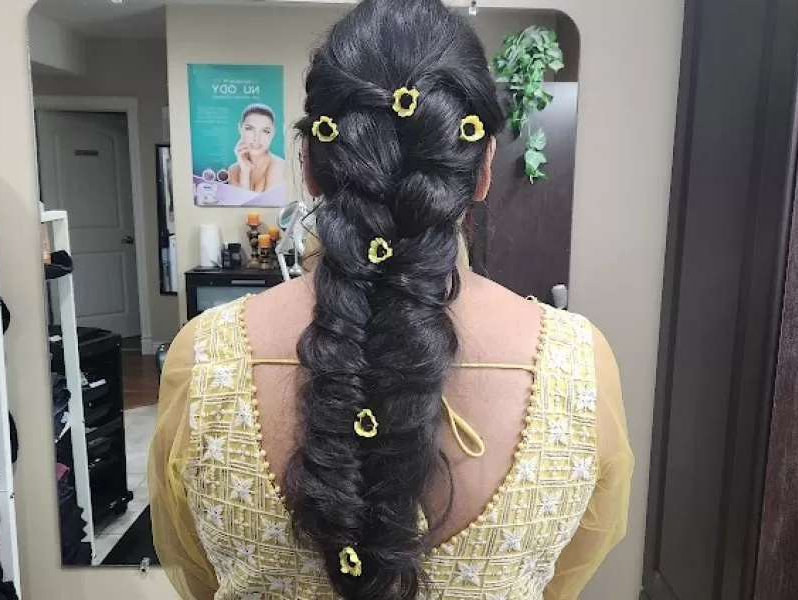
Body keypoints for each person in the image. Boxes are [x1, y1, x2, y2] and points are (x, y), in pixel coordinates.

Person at [149, 0, 633, 598]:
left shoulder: (205, 357)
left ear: (310, 166)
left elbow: (198, 575)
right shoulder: (577, 365)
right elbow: (561, 580)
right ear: (483, 168)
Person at [227, 103, 285, 192]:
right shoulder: (233, 170)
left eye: (265, 131)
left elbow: (269, 201)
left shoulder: (279, 166)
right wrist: (245, 173)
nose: (256, 138)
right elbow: (239, 201)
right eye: (249, 128)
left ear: (273, 133)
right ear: (240, 129)